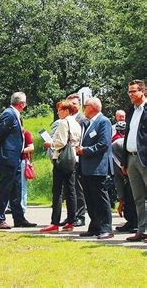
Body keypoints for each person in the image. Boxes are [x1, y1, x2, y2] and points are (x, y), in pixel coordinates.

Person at [0, 92, 37, 229]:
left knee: (16, 189)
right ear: (21, 103)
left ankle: (19, 218)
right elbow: (0, 135)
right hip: (7, 157)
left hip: (16, 157)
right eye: (25, 103)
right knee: (5, 189)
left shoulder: (15, 115)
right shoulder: (9, 114)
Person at [40, 100, 81, 233]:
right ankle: (71, 221)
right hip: (73, 158)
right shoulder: (76, 123)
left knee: (57, 191)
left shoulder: (64, 123)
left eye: (60, 110)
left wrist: (50, 144)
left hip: (62, 158)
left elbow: (61, 142)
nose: (58, 112)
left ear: (67, 111)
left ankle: (55, 222)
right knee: (71, 191)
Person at [76, 97, 114, 239]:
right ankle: (95, 226)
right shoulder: (89, 123)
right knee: (90, 199)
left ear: (92, 107)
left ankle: (106, 228)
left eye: (85, 106)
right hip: (87, 167)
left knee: (100, 199)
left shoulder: (103, 122)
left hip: (98, 167)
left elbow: (103, 144)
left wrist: (84, 150)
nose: (83, 109)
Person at [122, 80, 147, 242]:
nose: (130, 95)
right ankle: (142, 230)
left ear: (143, 91)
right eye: (129, 92)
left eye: (133, 91)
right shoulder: (132, 110)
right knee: (138, 198)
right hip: (131, 159)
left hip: (144, 158)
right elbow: (127, 136)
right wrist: (124, 161)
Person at [65, 93, 87, 227]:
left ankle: (80, 216)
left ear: (79, 105)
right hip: (66, 158)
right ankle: (70, 216)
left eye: (74, 103)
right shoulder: (65, 119)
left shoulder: (82, 119)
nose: (72, 106)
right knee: (68, 188)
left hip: (77, 157)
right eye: (70, 103)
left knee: (78, 188)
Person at [112, 121, 138, 233]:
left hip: (135, 173)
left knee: (135, 198)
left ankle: (136, 223)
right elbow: (117, 178)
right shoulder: (114, 147)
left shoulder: (118, 144)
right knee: (128, 197)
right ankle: (131, 222)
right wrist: (121, 199)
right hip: (126, 176)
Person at [20, 128, 34, 213]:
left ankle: (22, 206)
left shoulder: (26, 133)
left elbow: (31, 147)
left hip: (22, 161)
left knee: (22, 185)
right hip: (13, 161)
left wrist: (21, 151)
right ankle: (11, 206)